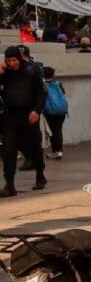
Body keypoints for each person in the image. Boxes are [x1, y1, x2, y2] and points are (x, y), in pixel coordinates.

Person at [0, 46, 47, 197]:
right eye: (8, 61)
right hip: (10, 117)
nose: (11, 63)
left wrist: (37, 110)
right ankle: (10, 184)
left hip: (29, 116)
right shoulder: (6, 74)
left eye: (14, 60)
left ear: (19, 59)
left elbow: (41, 93)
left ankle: (40, 176)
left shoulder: (32, 72)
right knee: (8, 151)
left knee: (34, 148)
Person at [43, 66, 67, 160]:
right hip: (61, 110)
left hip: (50, 111)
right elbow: (63, 93)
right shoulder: (58, 83)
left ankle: (55, 151)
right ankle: (59, 151)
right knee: (58, 130)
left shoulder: (43, 85)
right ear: (53, 74)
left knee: (52, 131)